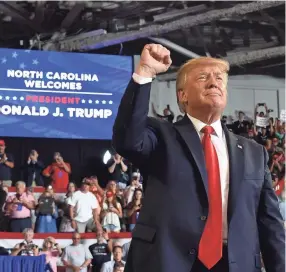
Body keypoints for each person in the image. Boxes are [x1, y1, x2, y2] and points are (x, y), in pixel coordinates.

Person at [112, 44, 285, 272]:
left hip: (235, 264)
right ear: (182, 96)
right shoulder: (162, 135)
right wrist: (144, 71)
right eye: (203, 77)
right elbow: (128, 140)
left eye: (220, 79)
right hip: (168, 261)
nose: (214, 82)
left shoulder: (254, 152)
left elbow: (269, 222)